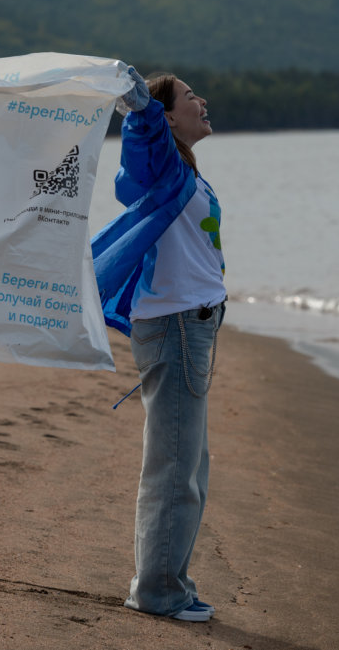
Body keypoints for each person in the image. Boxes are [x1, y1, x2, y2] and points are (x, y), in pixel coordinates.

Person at [91, 68, 226, 622]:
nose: (203, 100)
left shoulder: (188, 177)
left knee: (190, 467)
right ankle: (158, 593)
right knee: (173, 467)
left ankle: (172, 582)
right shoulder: (161, 164)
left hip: (190, 328)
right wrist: (141, 111)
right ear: (169, 116)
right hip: (175, 329)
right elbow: (141, 149)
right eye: (191, 96)